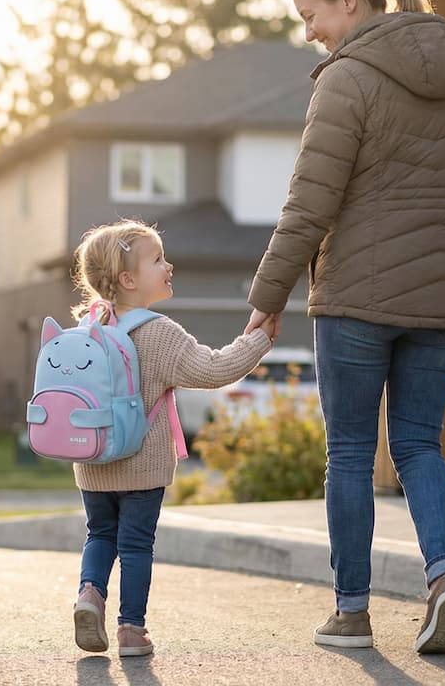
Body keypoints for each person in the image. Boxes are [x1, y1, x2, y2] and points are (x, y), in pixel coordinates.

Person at [244, 0, 445, 655]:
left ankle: (352, 613)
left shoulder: (347, 79)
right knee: (419, 445)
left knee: (351, 451)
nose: (308, 32)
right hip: (443, 297)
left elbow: (309, 203)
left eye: (311, 14)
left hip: (356, 296)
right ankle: (444, 579)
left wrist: (269, 295)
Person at [68, 219, 275, 657]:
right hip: (143, 464)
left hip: (92, 460)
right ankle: (131, 631)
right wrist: (258, 341)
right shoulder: (159, 333)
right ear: (128, 280)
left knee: (100, 535)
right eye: (157, 260)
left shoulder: (88, 329)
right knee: (137, 544)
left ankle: (90, 593)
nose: (169, 265)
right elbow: (215, 369)